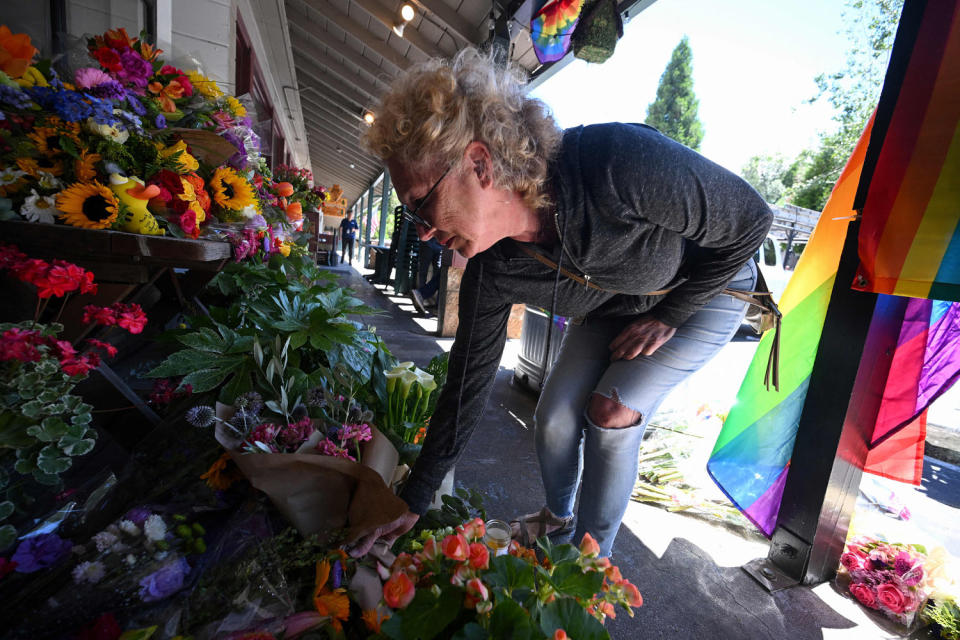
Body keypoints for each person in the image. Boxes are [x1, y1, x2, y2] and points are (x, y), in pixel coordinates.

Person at [350, 48, 772, 558]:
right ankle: (558, 516)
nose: (423, 233)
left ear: (479, 164)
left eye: (421, 205)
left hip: (706, 290)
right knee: (551, 421)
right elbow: (465, 383)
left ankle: (592, 566)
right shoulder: (494, 268)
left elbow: (750, 219)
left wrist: (670, 315)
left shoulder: (618, 163)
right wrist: (414, 497)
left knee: (611, 409)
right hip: (617, 305)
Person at [411, 236, 444, 313]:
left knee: (438, 273)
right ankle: (421, 296)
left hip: (440, 245)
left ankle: (422, 295)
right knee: (424, 271)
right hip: (428, 242)